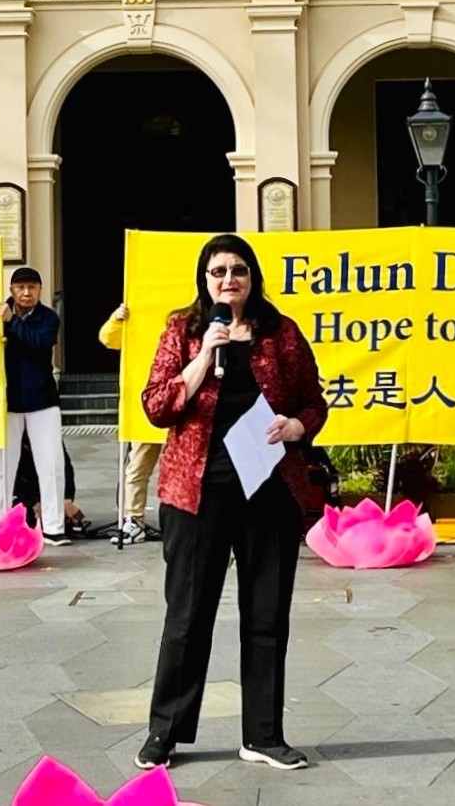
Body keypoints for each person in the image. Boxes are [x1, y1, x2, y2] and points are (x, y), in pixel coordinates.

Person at [135, 233, 328, 772]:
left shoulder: (281, 332)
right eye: (217, 271)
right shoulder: (184, 329)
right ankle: (165, 732)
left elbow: (313, 402)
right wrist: (202, 358)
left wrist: (297, 427)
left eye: (238, 270)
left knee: (267, 615)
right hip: (196, 493)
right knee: (187, 616)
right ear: (204, 279)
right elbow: (156, 405)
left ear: (253, 277)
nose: (228, 280)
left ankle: (263, 735)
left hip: (268, 491)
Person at [0, 266, 70, 546]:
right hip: (6, 401)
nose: (26, 292)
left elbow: (39, 344)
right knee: (1, 465)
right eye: (20, 287)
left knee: (51, 464)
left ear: (40, 290)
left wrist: (12, 322)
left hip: (42, 401)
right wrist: (6, 321)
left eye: (32, 287)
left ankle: (54, 527)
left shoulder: (48, 317)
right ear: (11, 290)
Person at [99, 302, 162, 545]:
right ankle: (134, 519)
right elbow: (107, 338)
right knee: (138, 465)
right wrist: (117, 318)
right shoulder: (137, 309)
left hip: (182, 398)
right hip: (147, 402)